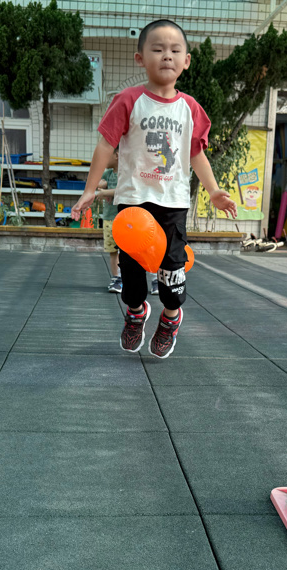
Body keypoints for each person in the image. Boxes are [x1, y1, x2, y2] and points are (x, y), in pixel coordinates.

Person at [71, 19, 237, 359]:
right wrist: (89, 189)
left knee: (172, 271)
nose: (167, 56)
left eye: (175, 50)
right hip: (133, 201)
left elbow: (195, 154)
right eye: (157, 49)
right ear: (140, 58)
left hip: (172, 203)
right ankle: (136, 313)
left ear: (186, 61)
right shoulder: (129, 100)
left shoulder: (190, 108)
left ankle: (171, 317)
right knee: (131, 275)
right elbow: (105, 145)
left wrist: (214, 190)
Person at [97, 148, 122, 293]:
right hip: (109, 218)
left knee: (125, 251)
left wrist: (106, 192)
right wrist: (101, 184)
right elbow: (98, 183)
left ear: (117, 155)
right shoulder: (108, 174)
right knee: (113, 251)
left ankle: (125, 278)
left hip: (123, 219)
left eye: (107, 155)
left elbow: (123, 190)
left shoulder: (125, 174)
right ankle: (116, 278)